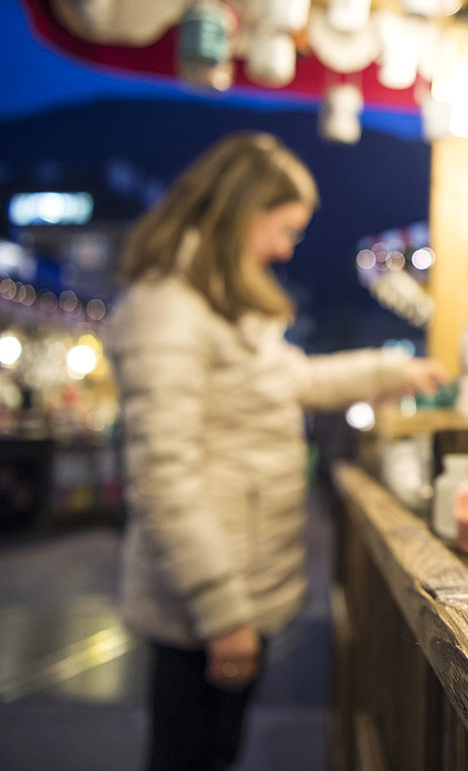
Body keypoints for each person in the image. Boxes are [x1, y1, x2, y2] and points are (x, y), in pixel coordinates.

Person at [106, 131, 447, 771]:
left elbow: (301, 380)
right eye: (283, 228)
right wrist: (222, 613)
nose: (287, 247)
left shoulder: (222, 307)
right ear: (240, 210)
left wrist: (395, 369)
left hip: (234, 587)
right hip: (205, 602)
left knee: (216, 750)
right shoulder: (171, 311)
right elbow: (163, 478)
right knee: (191, 754)